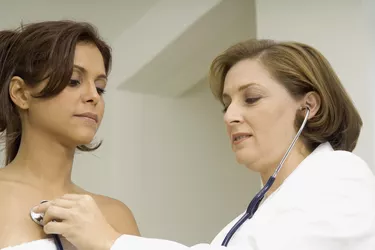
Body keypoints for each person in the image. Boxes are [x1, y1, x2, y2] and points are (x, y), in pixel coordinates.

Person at [32, 39, 375, 250]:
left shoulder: (341, 175)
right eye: (227, 104)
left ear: (308, 106)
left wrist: (110, 241)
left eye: (251, 98)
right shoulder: (245, 220)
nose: (230, 116)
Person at [0, 21, 140, 249]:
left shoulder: (116, 216)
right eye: (74, 81)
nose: (94, 96)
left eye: (100, 87)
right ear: (21, 93)